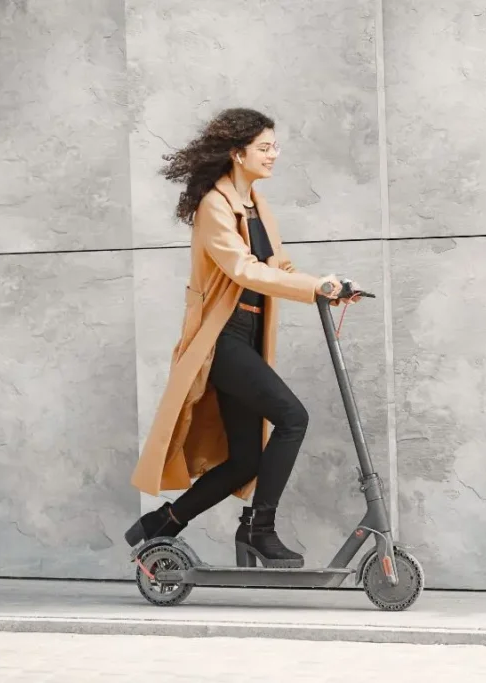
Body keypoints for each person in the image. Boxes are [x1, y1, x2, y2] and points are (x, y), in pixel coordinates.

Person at [124, 107, 361, 568]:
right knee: (293, 417)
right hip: (222, 340)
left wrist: (329, 287)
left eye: (275, 146)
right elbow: (242, 268)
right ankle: (259, 528)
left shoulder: (255, 203)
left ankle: (161, 525)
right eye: (265, 147)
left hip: (248, 337)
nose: (275, 154)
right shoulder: (214, 206)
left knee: (245, 460)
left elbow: (277, 267)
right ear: (238, 153)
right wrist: (313, 287)